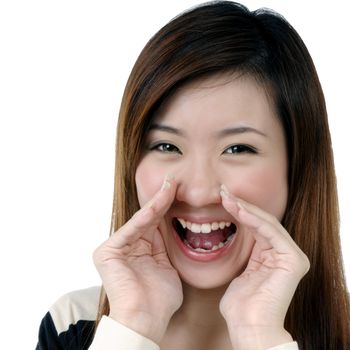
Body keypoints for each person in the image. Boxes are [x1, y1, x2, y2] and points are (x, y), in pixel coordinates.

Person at [36, 1, 350, 349]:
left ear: (297, 166)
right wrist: (135, 325)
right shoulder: (75, 323)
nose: (199, 192)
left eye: (237, 149)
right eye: (167, 147)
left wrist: (260, 335)